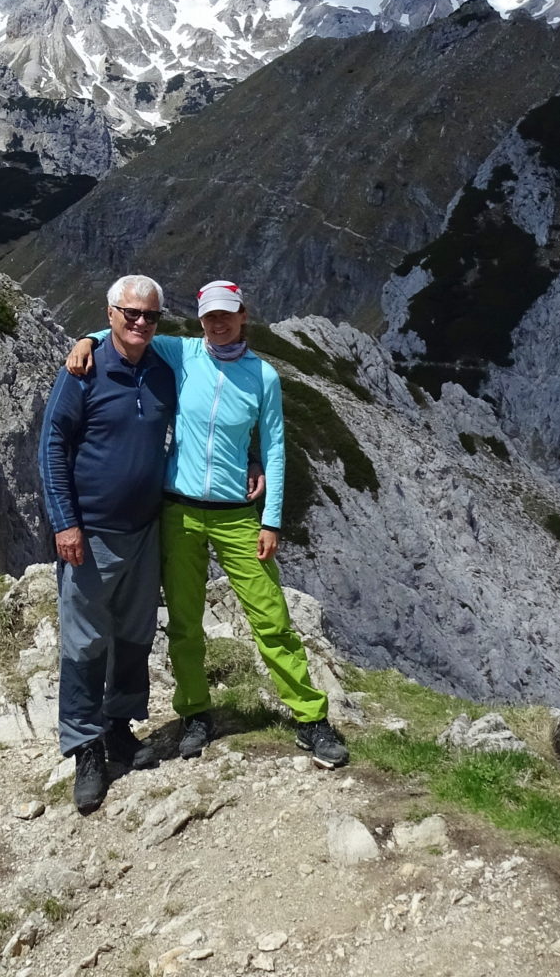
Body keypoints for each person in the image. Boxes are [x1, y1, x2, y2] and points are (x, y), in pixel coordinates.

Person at [68, 279, 348, 768]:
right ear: (200, 320)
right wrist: (88, 339)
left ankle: (310, 718)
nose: (218, 323)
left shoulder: (264, 377)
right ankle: (196, 714)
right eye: (210, 316)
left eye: (228, 314)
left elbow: (277, 448)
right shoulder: (183, 354)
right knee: (183, 623)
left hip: (238, 517)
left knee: (272, 618)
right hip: (177, 511)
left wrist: (272, 519)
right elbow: (131, 330)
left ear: (243, 317)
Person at [40, 274, 177, 813]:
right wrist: (64, 522)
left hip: (145, 530)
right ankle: (85, 748)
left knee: (134, 634)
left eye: (151, 316)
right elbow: (52, 444)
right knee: (84, 642)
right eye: (130, 314)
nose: (140, 323)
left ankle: (118, 727)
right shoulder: (83, 370)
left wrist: (255, 458)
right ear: (111, 313)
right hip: (90, 533)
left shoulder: (164, 371)